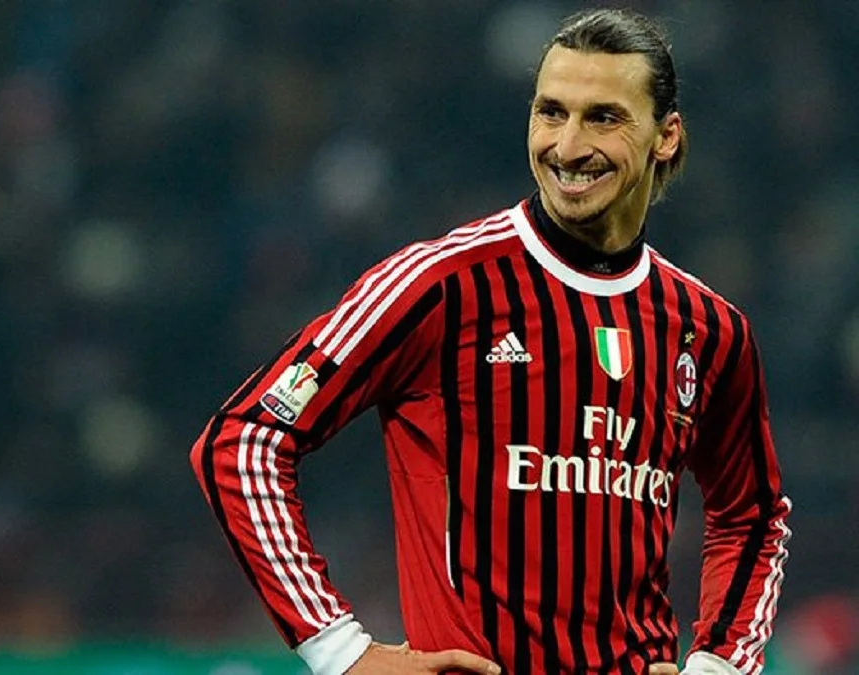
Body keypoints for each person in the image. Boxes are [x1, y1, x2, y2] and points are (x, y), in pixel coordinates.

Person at [190, 8, 791, 675]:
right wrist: (340, 650)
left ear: (666, 136)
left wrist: (720, 664)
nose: (568, 146)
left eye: (603, 118)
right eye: (551, 112)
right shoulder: (440, 285)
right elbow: (244, 440)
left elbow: (753, 515)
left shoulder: (710, 329)